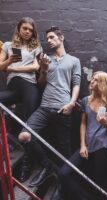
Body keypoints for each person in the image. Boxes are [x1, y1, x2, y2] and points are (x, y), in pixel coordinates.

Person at [18, 26, 81, 187]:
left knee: (65, 149)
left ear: (61, 37)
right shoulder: (45, 59)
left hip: (63, 108)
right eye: (47, 39)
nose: (49, 41)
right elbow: (40, 85)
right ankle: (47, 166)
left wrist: (72, 103)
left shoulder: (74, 61)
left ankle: (65, 184)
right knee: (24, 136)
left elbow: (76, 84)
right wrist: (44, 70)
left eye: (52, 37)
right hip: (45, 107)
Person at [55, 71, 107, 200]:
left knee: (99, 184)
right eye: (92, 79)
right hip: (88, 144)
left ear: (102, 84)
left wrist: (105, 124)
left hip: (103, 146)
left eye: (95, 80)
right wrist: (82, 145)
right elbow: (83, 124)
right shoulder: (86, 100)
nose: (91, 82)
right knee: (64, 173)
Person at [0, 17, 42, 182]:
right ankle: (6, 141)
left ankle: (27, 163)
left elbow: (35, 67)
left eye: (30, 30)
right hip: (13, 87)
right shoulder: (9, 46)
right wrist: (9, 61)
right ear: (19, 29)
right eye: (24, 28)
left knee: (28, 127)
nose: (27, 31)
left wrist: (11, 67)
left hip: (29, 86)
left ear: (33, 32)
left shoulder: (36, 47)